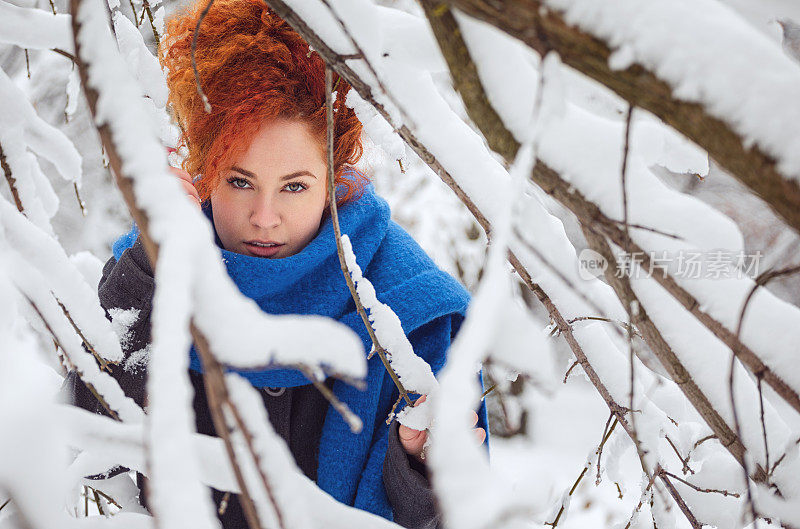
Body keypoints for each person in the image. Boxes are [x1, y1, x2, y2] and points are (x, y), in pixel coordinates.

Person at [65, 0, 489, 527]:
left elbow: (454, 510)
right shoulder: (151, 271)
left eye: (294, 186)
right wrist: (150, 270)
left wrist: (420, 467)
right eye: (239, 181)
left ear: (333, 179)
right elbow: (89, 453)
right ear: (202, 169)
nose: (264, 217)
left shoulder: (407, 304)